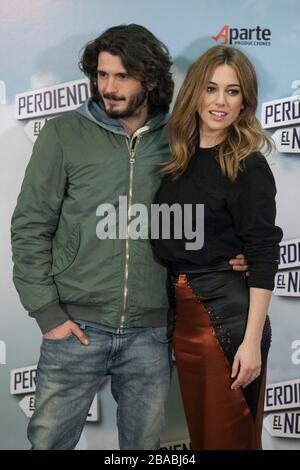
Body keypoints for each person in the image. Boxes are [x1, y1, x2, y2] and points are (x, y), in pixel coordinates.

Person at [11, 26, 247, 450]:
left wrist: (237, 253)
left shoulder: (182, 140)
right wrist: (47, 313)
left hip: (152, 334)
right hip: (75, 327)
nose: (109, 87)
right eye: (102, 75)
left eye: (122, 77)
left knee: (143, 451)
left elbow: (209, 214)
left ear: (150, 79)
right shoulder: (63, 134)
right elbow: (30, 225)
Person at [152, 45, 283, 450]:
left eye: (233, 91)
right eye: (212, 88)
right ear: (195, 92)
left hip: (227, 324)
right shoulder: (180, 158)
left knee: (230, 440)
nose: (220, 101)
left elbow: (262, 253)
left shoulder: (247, 164)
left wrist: (250, 341)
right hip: (184, 321)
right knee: (202, 439)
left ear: (245, 100)